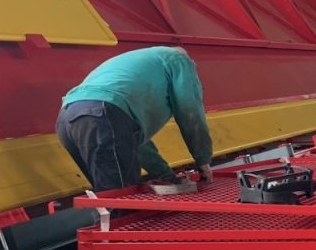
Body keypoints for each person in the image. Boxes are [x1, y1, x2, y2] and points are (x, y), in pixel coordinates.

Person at [56, 46, 214, 190]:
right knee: (120, 197)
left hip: (67, 118)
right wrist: (203, 161)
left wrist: (166, 176)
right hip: (103, 113)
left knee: (106, 194)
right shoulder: (178, 58)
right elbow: (190, 111)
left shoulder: (136, 70)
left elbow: (136, 145)